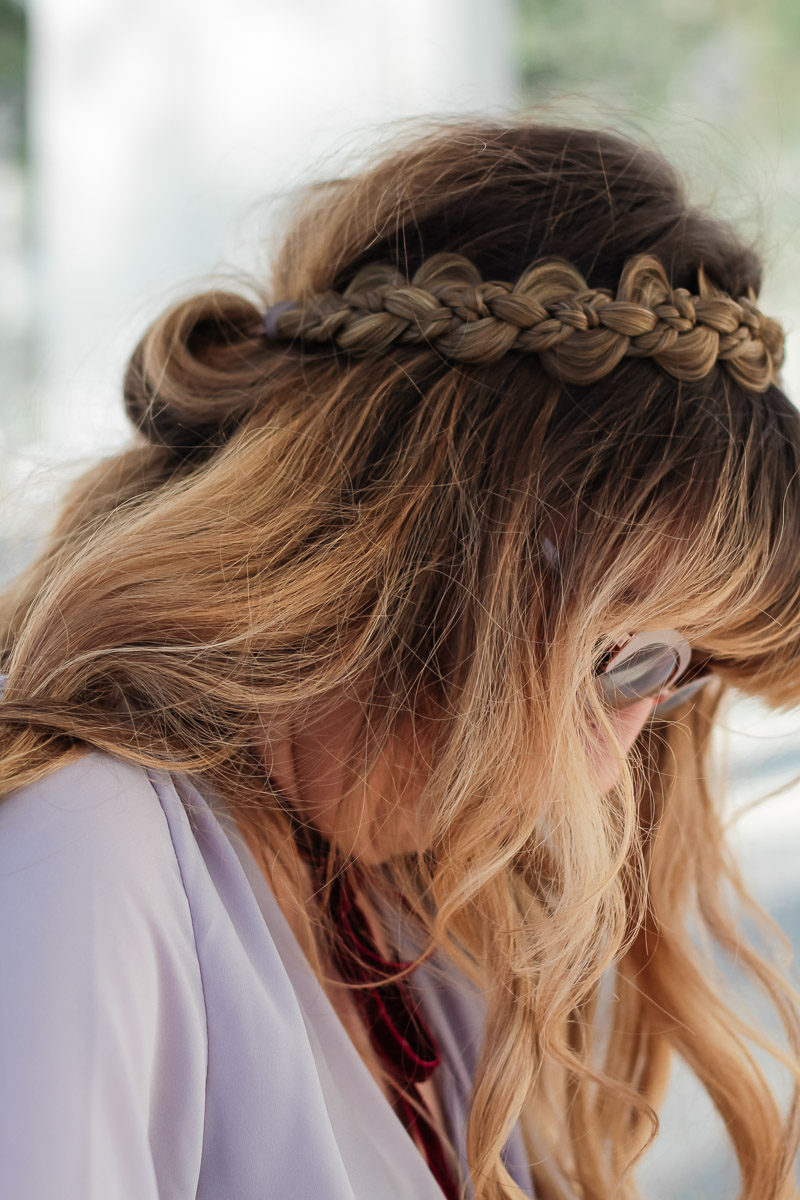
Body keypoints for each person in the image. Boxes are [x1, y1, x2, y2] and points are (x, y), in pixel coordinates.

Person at [1, 118, 799, 1200]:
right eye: (618, 661)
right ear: (421, 552)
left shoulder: (412, 917)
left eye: (669, 679)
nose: (609, 771)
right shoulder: (89, 850)